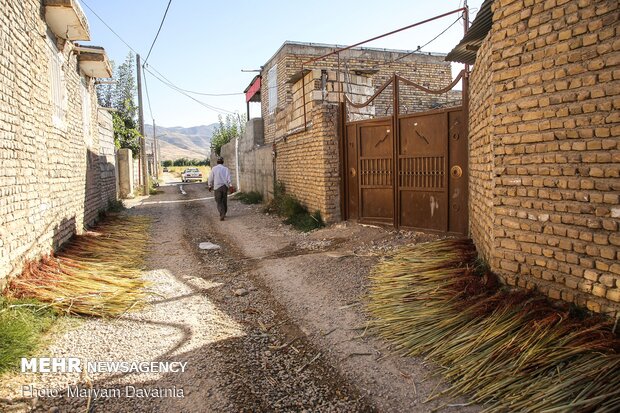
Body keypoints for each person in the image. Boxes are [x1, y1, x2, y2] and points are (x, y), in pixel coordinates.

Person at [207, 156, 232, 221]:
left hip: (217, 187)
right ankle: (224, 213)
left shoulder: (214, 169)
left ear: (217, 162)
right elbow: (228, 178)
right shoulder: (226, 169)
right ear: (223, 162)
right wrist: (230, 186)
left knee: (218, 201)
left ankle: (222, 213)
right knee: (224, 200)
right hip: (224, 186)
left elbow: (211, 178)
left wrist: (210, 185)